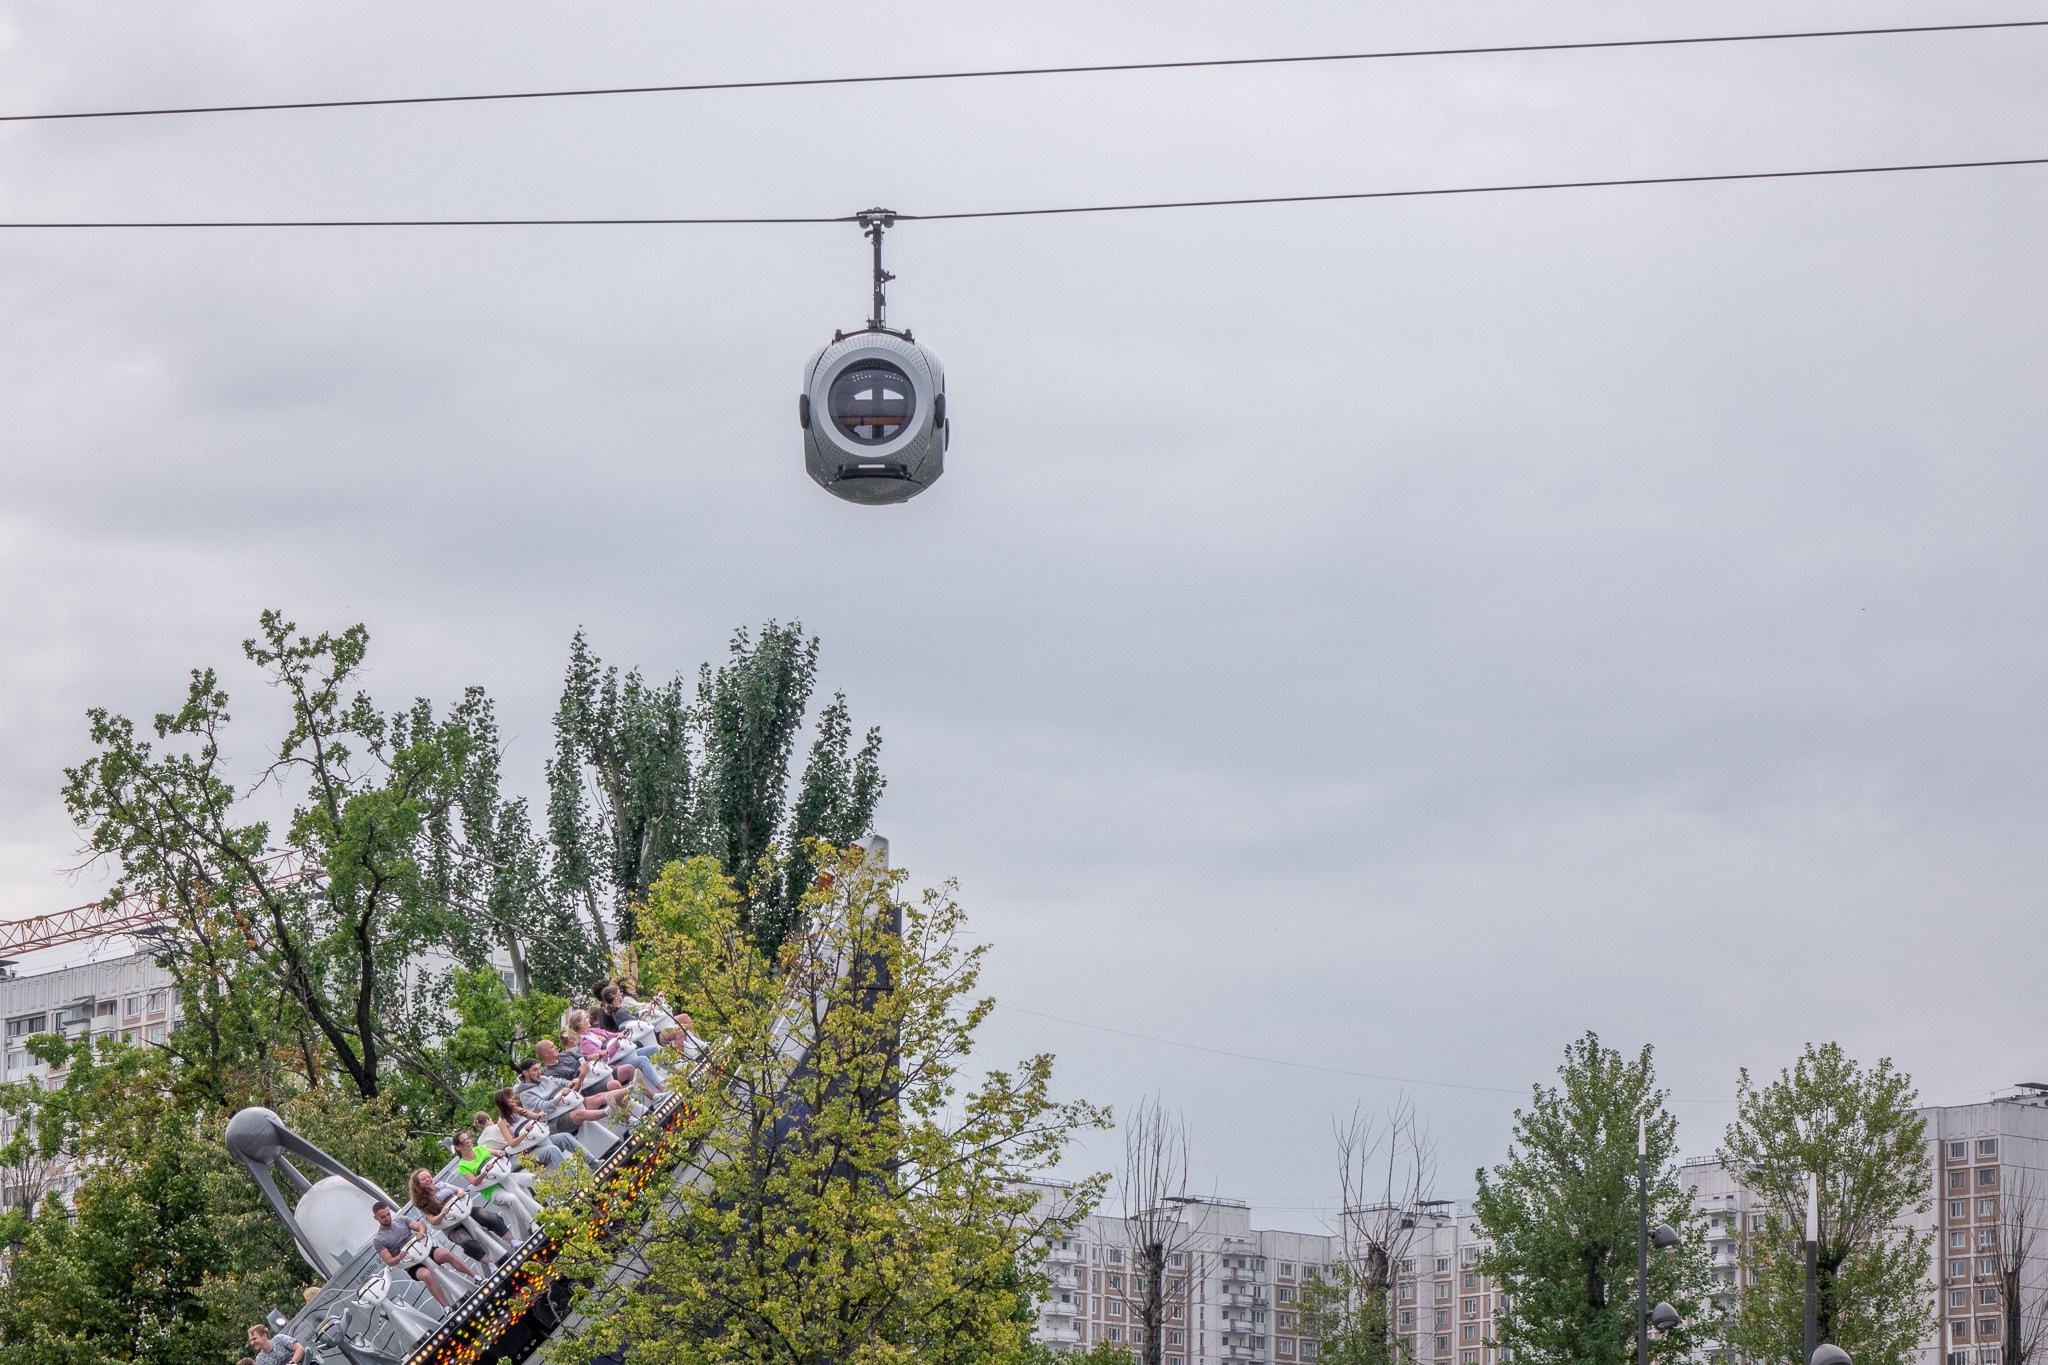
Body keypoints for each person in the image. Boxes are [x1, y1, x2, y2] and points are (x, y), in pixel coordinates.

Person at [370, 1200, 475, 1310]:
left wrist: (421, 1233)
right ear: (376, 1218)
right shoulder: (378, 1240)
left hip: (424, 1251)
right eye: (383, 1217)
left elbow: (421, 1227)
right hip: (411, 1264)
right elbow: (389, 1261)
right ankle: (446, 1308)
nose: (387, 1218)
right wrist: (399, 1257)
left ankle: (475, 1277)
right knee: (426, 1275)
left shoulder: (401, 1220)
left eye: (388, 1214)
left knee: (445, 1254)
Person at [409, 1168, 508, 1267]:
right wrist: (442, 1214)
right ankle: (490, 1264)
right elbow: (433, 1221)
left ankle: (511, 1240)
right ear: (418, 1185)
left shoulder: (441, 1185)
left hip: (465, 1212)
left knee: (488, 1216)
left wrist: (460, 1192)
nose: (428, 1179)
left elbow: (459, 1189)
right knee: (465, 1242)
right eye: (423, 1179)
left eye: (428, 1177)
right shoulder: (421, 1203)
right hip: (452, 1226)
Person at [452, 1128, 541, 1235]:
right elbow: (474, 1182)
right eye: (463, 1141)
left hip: (505, 1177)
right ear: (457, 1147)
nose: (468, 1141)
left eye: (468, 1138)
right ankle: (532, 1222)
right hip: (493, 1190)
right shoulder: (463, 1166)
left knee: (532, 1178)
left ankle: (548, 1202)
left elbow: (497, 1152)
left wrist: (500, 1153)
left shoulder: (480, 1149)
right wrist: (485, 1172)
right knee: (512, 1198)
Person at [563, 1007, 666, 1096]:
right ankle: (661, 1088)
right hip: (613, 1063)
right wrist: (617, 1041)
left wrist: (622, 1033)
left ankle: (670, 1070)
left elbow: (611, 1035)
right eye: (585, 1018)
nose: (588, 1019)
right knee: (642, 1060)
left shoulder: (593, 1031)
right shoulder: (585, 1044)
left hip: (622, 1054)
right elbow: (604, 1057)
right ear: (581, 1024)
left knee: (653, 1049)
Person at [514, 1053, 616, 1132]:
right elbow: (544, 1109)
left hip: (568, 1104)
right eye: (535, 1070)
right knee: (578, 1114)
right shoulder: (525, 1094)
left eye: (539, 1069)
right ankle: (609, 1111)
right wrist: (560, 1095)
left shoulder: (544, 1078)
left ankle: (629, 1092)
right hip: (554, 1120)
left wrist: (571, 1083)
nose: (539, 1072)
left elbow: (561, 1082)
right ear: (526, 1073)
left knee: (598, 1097)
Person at [482, 1092, 581, 1169]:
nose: (512, 1098)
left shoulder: (517, 1110)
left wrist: (540, 1115)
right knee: (552, 1149)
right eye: (509, 1098)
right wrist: (525, 1133)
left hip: (540, 1138)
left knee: (565, 1137)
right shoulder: (502, 1122)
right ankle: (571, 1179)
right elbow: (511, 1143)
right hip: (530, 1149)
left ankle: (592, 1162)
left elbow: (537, 1117)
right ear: (503, 1103)